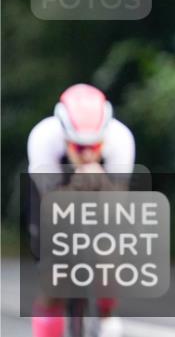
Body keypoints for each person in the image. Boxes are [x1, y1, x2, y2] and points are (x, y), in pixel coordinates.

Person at [27, 83, 135, 337]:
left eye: (94, 147)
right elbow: (49, 203)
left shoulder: (120, 139)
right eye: (78, 148)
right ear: (65, 138)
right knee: (54, 277)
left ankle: (106, 312)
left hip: (103, 196)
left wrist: (100, 183)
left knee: (111, 254)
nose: (87, 155)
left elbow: (118, 204)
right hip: (53, 198)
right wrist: (76, 185)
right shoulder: (44, 138)